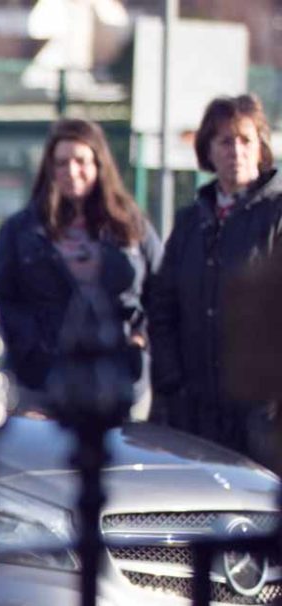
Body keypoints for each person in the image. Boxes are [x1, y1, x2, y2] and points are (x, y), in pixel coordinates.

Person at [0, 118, 161, 414]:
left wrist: (140, 336)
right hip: (41, 386)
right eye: (61, 163)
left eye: (81, 161)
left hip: (121, 384)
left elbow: (164, 291)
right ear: (49, 169)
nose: (71, 172)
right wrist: (34, 341)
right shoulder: (21, 231)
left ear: (99, 165)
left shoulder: (131, 226)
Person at [147, 94, 282, 455]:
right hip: (194, 410)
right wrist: (172, 380)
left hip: (262, 415)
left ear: (260, 148)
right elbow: (163, 306)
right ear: (208, 150)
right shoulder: (191, 222)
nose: (235, 151)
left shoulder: (276, 215)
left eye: (245, 140)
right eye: (225, 141)